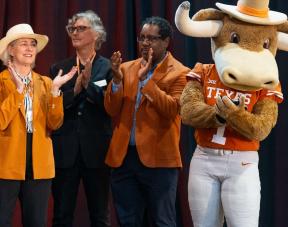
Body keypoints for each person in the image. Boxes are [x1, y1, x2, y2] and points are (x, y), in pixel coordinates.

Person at [104, 16, 189, 226]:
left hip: (159, 160)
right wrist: (115, 81)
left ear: (166, 41)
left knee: (162, 221)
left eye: (151, 39)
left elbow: (172, 110)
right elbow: (111, 109)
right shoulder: (125, 69)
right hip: (124, 159)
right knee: (128, 221)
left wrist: (146, 81)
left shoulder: (181, 73)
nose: (145, 43)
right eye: (142, 38)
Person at [0, 23, 76, 227]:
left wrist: (55, 93)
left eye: (32, 44)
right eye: (23, 43)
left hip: (39, 163)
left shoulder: (45, 83)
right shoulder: (1, 82)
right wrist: (17, 91)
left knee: (36, 222)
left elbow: (55, 123)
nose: (29, 48)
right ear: (11, 51)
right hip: (5, 163)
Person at [50, 10, 112, 227]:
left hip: (97, 151)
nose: (75, 33)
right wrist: (74, 91)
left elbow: (112, 107)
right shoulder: (59, 68)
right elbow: (53, 108)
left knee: (100, 215)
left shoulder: (109, 67)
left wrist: (89, 86)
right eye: (72, 29)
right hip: (65, 151)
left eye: (81, 28)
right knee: (61, 215)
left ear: (96, 34)